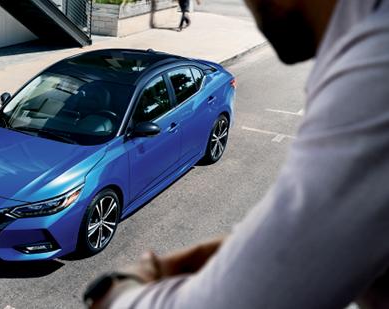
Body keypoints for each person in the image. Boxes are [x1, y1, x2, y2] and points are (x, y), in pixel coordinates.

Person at [84, 0, 389, 308]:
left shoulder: (375, 73)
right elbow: (320, 247)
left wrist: (117, 293)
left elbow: (253, 295)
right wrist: (252, 253)